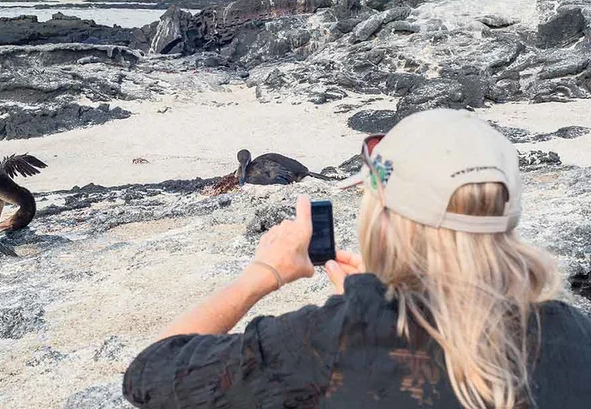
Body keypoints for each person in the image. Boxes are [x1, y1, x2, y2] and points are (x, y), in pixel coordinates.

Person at [123, 109, 591, 409]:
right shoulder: (576, 331)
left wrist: (261, 275)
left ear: (382, 217)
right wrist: (380, 296)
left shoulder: (331, 342)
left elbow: (151, 373)